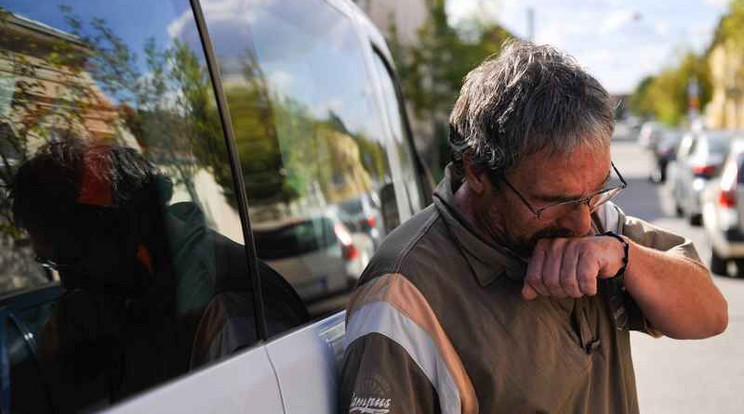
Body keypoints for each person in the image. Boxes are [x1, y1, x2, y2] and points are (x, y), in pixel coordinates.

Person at [338, 41, 728, 414]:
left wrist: (624, 255)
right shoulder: (403, 299)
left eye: (596, 191)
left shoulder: (595, 222)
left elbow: (710, 315)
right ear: (476, 171)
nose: (580, 223)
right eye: (552, 201)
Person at [11, 138, 306, 412]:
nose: (69, 282)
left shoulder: (222, 310)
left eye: (67, 260)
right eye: (49, 263)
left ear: (114, 230)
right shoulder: (132, 298)